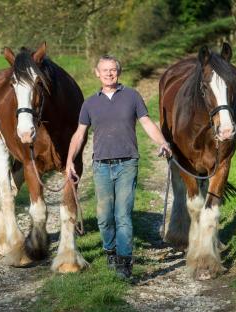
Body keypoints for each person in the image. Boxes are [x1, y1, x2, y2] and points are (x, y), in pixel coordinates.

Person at [66, 55, 171, 279]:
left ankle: (125, 262)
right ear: (97, 73)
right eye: (104, 70)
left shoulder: (132, 96)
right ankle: (110, 251)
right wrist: (69, 161)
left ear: (118, 72)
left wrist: (162, 142)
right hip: (101, 165)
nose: (109, 73)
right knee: (104, 217)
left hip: (127, 162)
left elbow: (146, 123)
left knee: (123, 215)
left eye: (113, 69)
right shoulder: (90, 103)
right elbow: (79, 134)